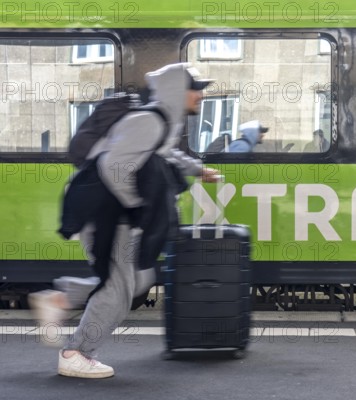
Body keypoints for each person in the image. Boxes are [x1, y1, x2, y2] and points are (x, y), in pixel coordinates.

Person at [28, 63, 221, 379]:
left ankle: (60, 298)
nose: (200, 95)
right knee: (119, 290)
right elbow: (112, 166)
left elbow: (165, 155)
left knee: (138, 282)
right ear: (176, 91)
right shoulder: (147, 121)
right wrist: (137, 204)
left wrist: (197, 170)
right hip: (109, 214)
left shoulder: (161, 121)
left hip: (113, 212)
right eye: (195, 89)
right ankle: (76, 353)